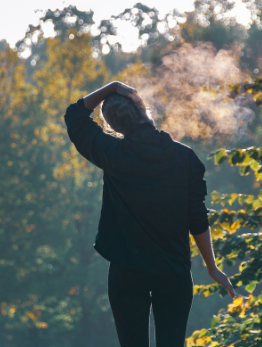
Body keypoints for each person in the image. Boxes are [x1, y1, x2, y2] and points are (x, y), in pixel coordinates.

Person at [64, 81, 235, 347]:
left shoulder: (112, 154)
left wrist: (112, 87)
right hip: (173, 273)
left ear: (113, 126)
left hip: (126, 273)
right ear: (144, 109)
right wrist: (212, 267)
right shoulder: (185, 159)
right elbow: (197, 219)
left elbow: (74, 115)